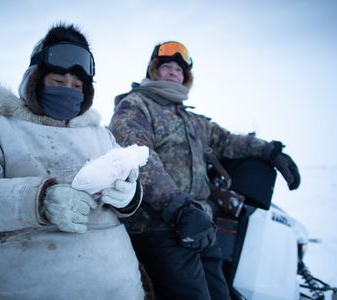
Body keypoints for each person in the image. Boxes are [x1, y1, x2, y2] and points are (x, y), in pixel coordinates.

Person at [0, 23, 145, 299]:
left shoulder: (100, 134)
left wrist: (130, 196)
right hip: (34, 281)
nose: (68, 90)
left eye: (77, 85)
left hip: (119, 286)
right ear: (35, 80)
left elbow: (127, 183)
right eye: (58, 82)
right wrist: (39, 200)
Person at [109, 41, 301, 300]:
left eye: (179, 70)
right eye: (166, 66)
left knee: (221, 295)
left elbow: (229, 141)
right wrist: (178, 208)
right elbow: (137, 158)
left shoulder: (192, 120)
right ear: (153, 71)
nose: (173, 72)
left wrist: (271, 151)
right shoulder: (135, 106)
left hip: (199, 225)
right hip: (158, 228)